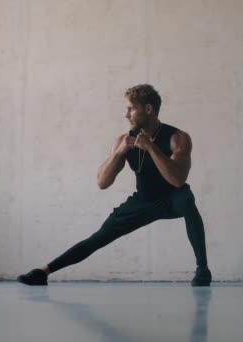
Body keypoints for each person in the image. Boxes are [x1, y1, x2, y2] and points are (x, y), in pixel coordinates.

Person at [17, 84, 212, 286]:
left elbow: (178, 180)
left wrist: (151, 148)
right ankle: (44, 272)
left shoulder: (178, 138)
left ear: (148, 109)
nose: (126, 115)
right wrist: (119, 153)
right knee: (99, 237)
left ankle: (202, 270)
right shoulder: (123, 140)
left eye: (131, 109)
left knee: (187, 201)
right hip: (143, 201)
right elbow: (102, 182)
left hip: (173, 198)